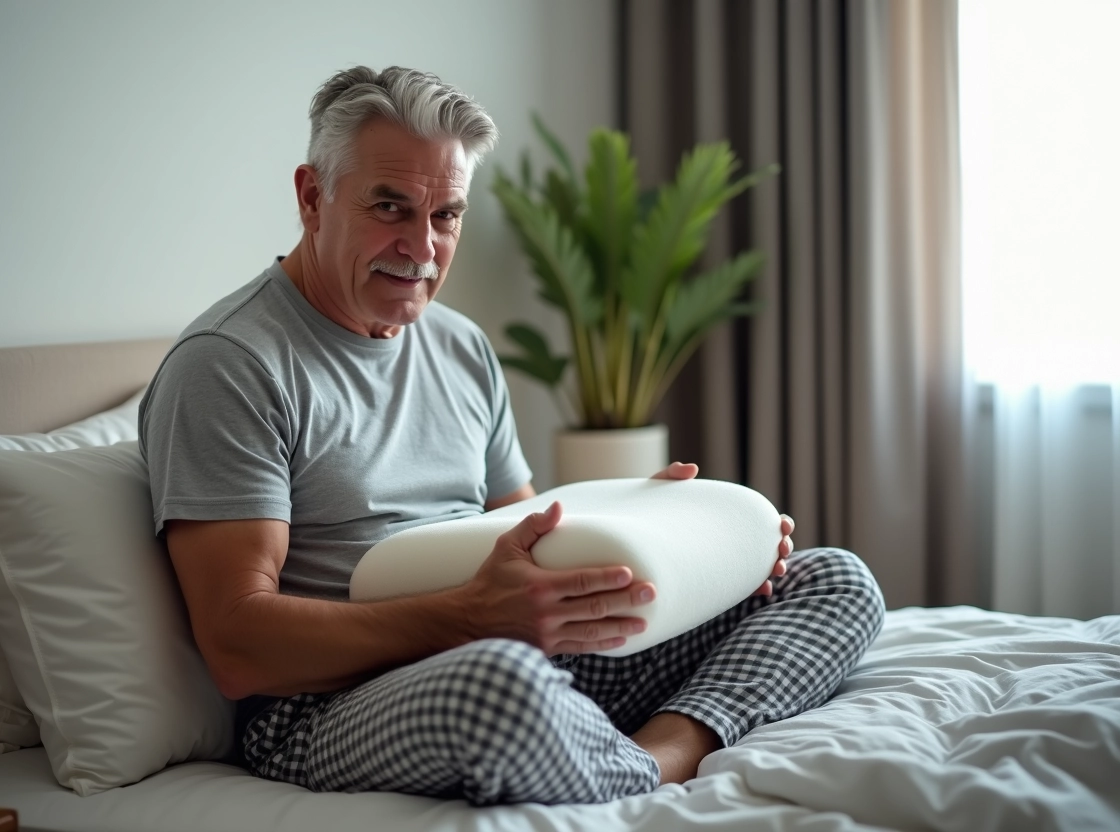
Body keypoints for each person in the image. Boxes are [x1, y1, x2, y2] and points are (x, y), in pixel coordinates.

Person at [139, 65, 885, 806]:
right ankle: (627, 772)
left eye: (445, 216)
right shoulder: (230, 366)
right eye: (390, 207)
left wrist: (661, 533)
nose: (421, 248)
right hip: (333, 702)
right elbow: (238, 646)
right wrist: (467, 616)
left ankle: (667, 747)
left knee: (831, 578)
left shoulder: (460, 345)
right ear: (312, 197)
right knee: (498, 686)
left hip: (516, 651)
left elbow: (526, 532)